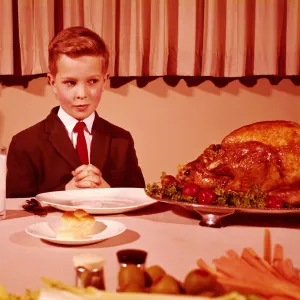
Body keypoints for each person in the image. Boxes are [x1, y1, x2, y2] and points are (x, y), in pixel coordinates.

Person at [6, 26, 145, 198]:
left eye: (92, 81)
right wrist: (63, 194)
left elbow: (139, 199)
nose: (82, 94)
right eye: (70, 83)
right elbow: (17, 210)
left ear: (105, 81)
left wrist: (110, 193)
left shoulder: (122, 140)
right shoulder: (25, 144)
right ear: (52, 82)